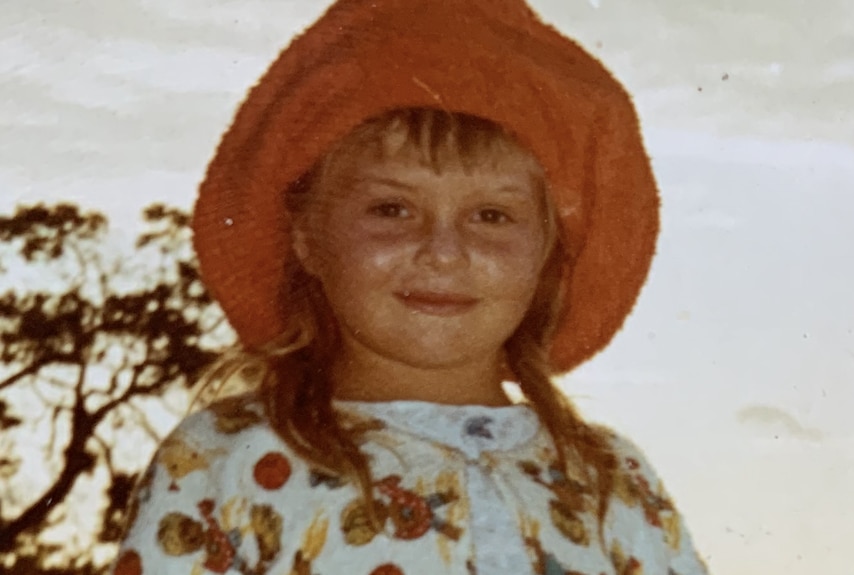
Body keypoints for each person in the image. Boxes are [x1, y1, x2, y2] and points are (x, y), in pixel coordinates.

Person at [113, 1, 710, 574]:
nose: (444, 252)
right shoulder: (225, 460)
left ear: (549, 254)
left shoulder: (612, 479)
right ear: (307, 239)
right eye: (392, 209)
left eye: (492, 216)